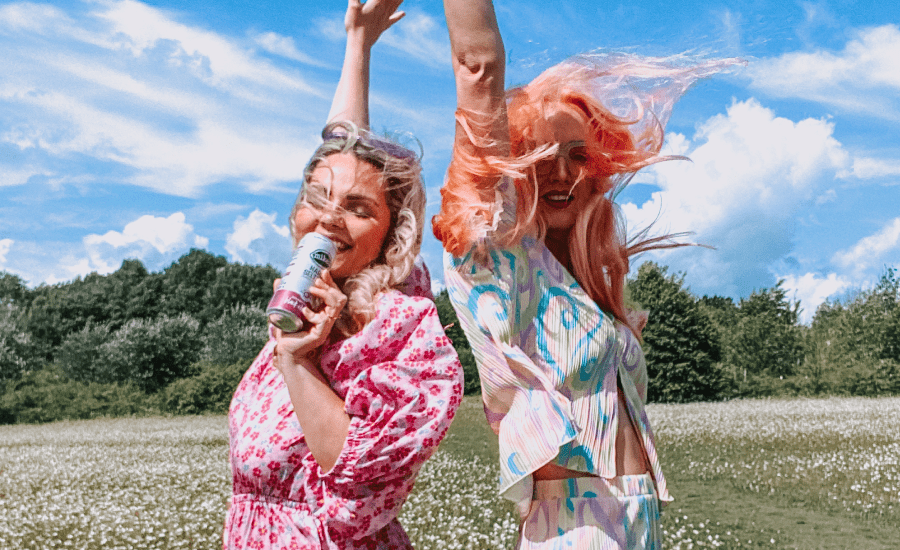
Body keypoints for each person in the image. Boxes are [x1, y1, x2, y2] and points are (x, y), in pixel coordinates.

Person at [433, 0, 739, 547]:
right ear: (509, 168)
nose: (561, 171)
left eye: (578, 155)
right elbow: (478, 65)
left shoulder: (582, 284)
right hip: (575, 530)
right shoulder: (497, 265)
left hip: (638, 520)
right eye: (538, 153)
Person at [222, 1, 463, 548]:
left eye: (359, 208)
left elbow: (354, 487)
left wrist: (296, 361)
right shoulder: (304, 301)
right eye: (318, 199)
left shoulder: (395, 322)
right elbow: (340, 148)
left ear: (391, 234)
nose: (330, 215)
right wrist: (358, 42)